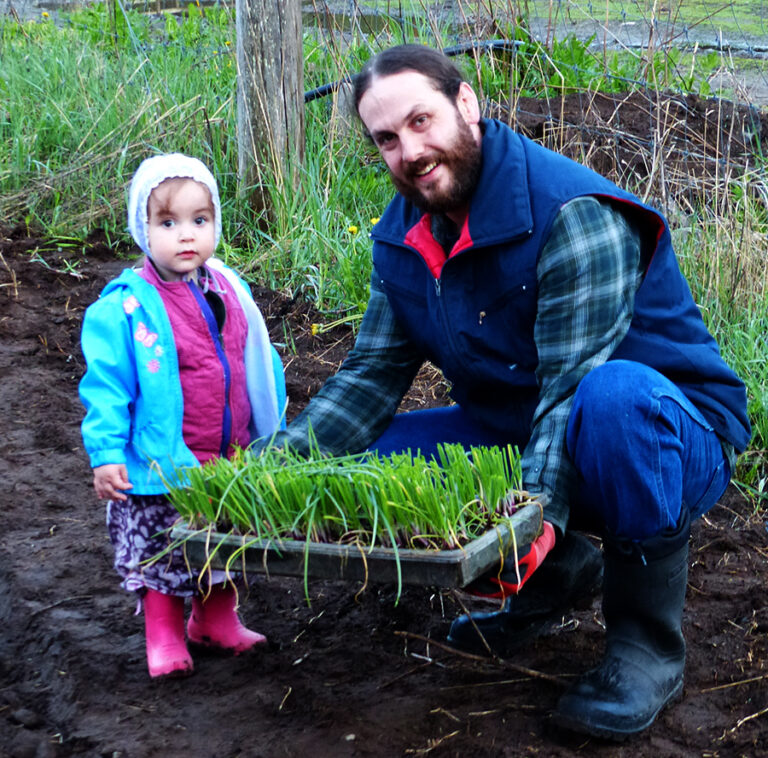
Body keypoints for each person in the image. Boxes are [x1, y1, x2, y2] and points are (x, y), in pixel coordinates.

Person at [259, 44, 751, 739]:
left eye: (422, 121)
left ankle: (646, 644)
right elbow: (367, 378)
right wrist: (265, 474)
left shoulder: (572, 215)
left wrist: (529, 520)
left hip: (664, 437)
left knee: (612, 399)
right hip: (528, 431)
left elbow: (569, 389)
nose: (411, 151)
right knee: (371, 464)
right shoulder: (402, 238)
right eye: (388, 139)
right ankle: (561, 573)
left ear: (467, 104)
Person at [79, 154, 287, 679]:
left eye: (200, 220)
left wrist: (269, 427)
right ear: (141, 229)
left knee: (224, 540)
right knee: (163, 553)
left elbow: (253, 360)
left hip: (225, 452)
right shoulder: (126, 308)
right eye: (167, 223)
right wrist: (105, 454)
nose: (186, 235)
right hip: (158, 464)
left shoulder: (227, 290)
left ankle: (215, 618)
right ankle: (165, 632)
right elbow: (105, 387)